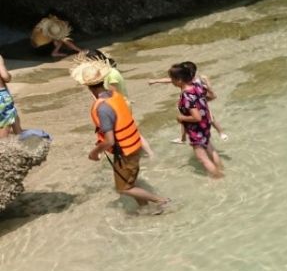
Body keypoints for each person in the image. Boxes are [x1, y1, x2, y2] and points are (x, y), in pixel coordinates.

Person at [71, 57, 169, 213]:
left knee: (124, 189)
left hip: (125, 152)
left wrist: (94, 153)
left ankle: (162, 201)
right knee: (130, 183)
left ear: (87, 86)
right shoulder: (114, 94)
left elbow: (110, 140)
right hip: (134, 146)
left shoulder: (102, 108)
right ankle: (144, 209)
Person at [82, 51, 154, 158]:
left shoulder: (111, 74)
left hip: (118, 106)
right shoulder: (108, 73)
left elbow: (111, 95)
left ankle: (146, 153)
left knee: (127, 132)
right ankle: (144, 154)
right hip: (118, 104)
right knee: (129, 131)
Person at [170, 63, 224, 178]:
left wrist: (181, 117)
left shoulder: (186, 96)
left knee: (202, 158)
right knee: (210, 147)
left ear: (179, 80)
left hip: (196, 128)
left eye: (172, 79)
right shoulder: (197, 87)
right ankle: (220, 169)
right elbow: (211, 97)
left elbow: (196, 117)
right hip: (206, 124)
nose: (171, 81)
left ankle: (218, 178)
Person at [150, 62, 226, 143]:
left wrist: (208, 89)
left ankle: (221, 132)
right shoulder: (187, 80)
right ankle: (183, 138)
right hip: (192, 102)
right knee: (186, 120)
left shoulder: (197, 80)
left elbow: (210, 90)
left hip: (199, 101)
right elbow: (170, 80)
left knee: (210, 118)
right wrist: (156, 81)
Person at [0, 54, 23, 139]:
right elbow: (5, 76)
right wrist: (9, 76)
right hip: (2, 98)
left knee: (13, 117)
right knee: (3, 141)